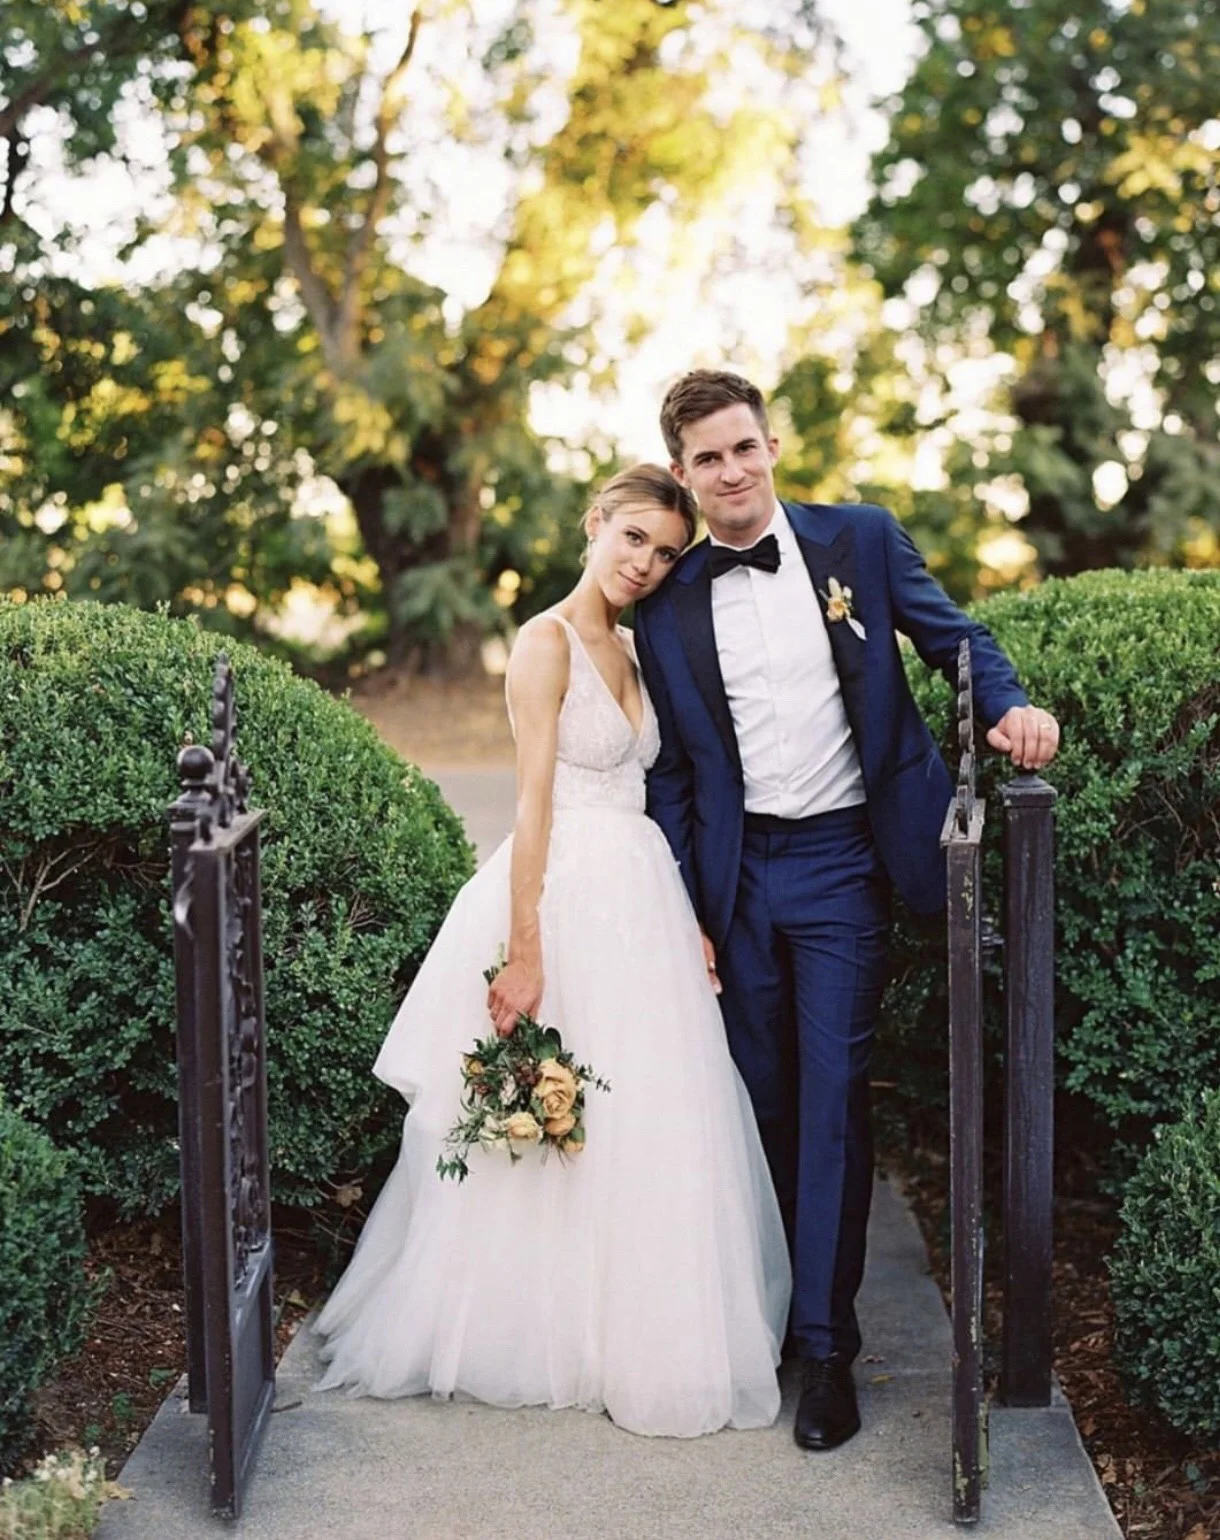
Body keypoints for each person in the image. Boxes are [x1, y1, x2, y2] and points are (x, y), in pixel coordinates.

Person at [313, 463, 791, 1439]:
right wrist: (522, 949)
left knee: (653, 1113)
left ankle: (641, 1326)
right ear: (594, 524)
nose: (646, 564)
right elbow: (531, 801)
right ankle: (536, 1329)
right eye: (632, 540)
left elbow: (659, 789)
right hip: (561, 891)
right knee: (550, 1109)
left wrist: (689, 915)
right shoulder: (544, 643)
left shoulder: (638, 646)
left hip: (642, 895)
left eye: (664, 552)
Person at [632, 369, 1060, 1452]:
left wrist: (1007, 705)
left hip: (840, 867)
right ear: (681, 475)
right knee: (760, 1099)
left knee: (829, 1099)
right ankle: (775, 1303)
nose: (729, 472)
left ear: (770, 445)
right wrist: (686, 902)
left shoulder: (857, 541)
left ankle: (825, 1347)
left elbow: (949, 637)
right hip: (736, 882)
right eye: (706, 459)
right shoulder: (668, 603)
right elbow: (674, 775)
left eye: (742, 448)